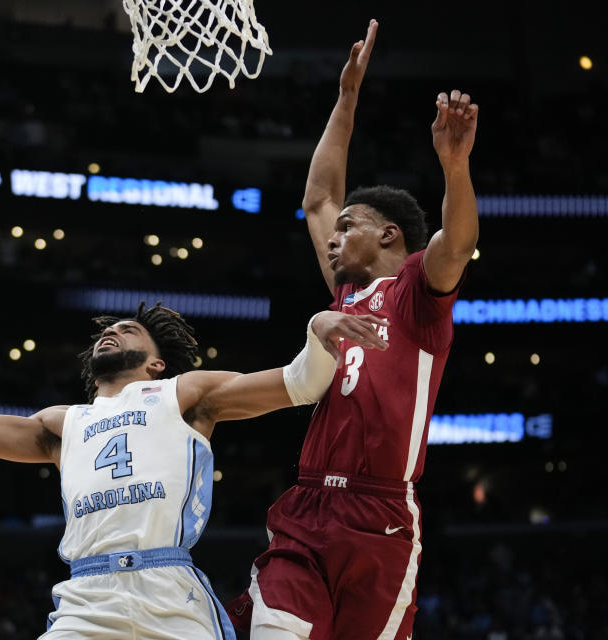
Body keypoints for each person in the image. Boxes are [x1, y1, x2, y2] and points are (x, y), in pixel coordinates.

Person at [0, 301, 388, 640]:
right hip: (86, 600)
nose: (113, 331)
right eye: (108, 329)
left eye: (130, 330)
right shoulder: (62, 423)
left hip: (167, 595)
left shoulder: (185, 394)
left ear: (153, 364)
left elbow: (300, 384)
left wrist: (317, 332)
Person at [227, 19, 480, 640]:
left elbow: (460, 241)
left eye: (349, 226)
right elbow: (316, 199)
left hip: (382, 514)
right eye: (334, 231)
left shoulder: (420, 291)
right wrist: (346, 99)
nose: (332, 235)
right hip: (308, 503)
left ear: (389, 235)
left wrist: (454, 167)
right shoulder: (344, 293)